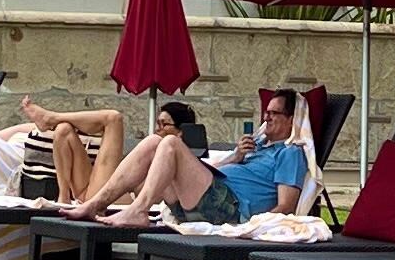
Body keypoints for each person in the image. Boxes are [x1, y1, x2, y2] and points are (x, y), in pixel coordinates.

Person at [66, 89, 315, 232]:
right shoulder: (257, 147)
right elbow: (212, 169)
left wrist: (251, 228)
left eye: (274, 113)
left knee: (170, 143)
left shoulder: (290, 153)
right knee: (154, 142)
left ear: (292, 119)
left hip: (230, 209)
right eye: (266, 112)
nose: (266, 117)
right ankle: (95, 204)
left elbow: (286, 206)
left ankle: (138, 210)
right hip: (206, 200)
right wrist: (236, 156)